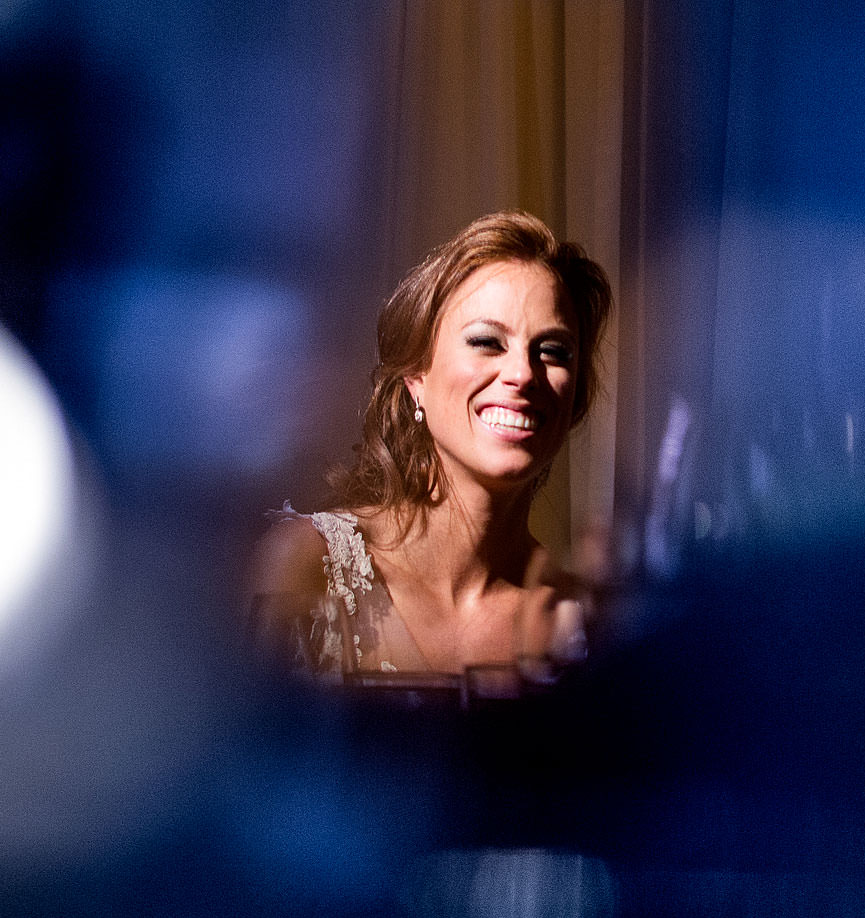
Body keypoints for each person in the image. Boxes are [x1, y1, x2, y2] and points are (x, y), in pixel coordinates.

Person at [254, 210, 613, 694]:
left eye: (553, 351)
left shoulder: (581, 624)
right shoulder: (310, 566)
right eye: (487, 342)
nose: (524, 375)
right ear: (416, 378)